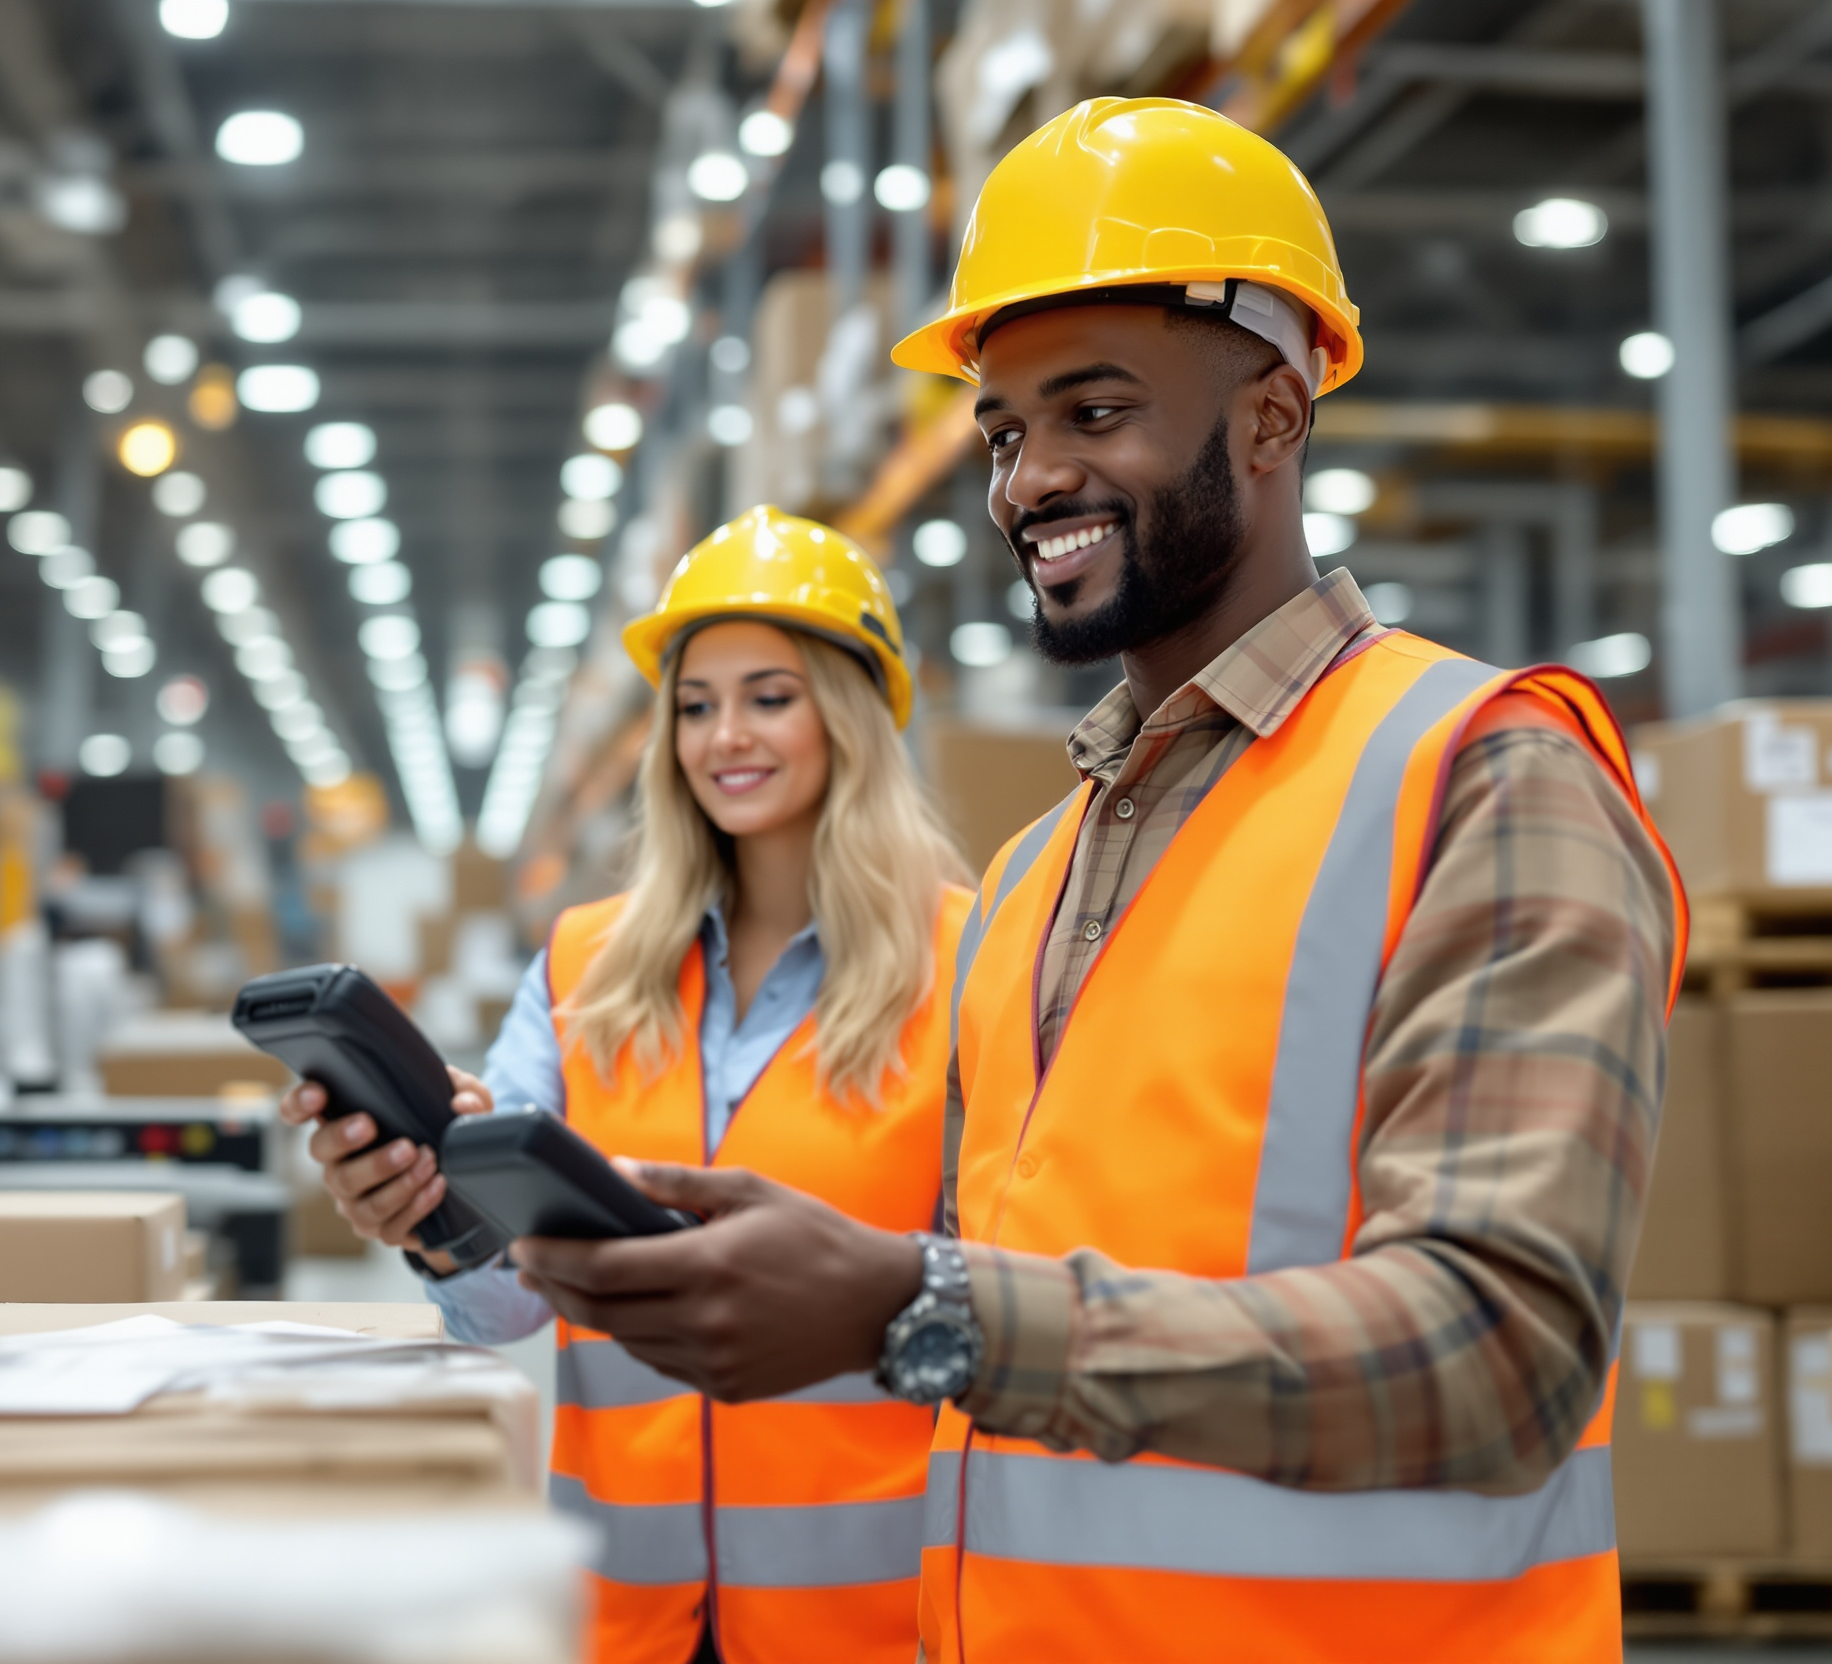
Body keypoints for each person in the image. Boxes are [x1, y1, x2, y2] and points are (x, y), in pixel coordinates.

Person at [504, 98, 1688, 1664]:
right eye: (1003, 431)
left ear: (1272, 414)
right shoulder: (1029, 878)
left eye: (1095, 411)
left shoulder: (1482, 774)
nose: (1026, 480)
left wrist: (912, 1308)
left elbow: (1501, 1349)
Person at [281, 505, 974, 1664]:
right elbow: (506, 1305)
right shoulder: (586, 965)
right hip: (626, 1614)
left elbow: (998, 1290)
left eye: (769, 694)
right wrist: (427, 1212)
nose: (723, 736)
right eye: (695, 704)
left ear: (851, 709)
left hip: (875, 1619)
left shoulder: (974, 960)